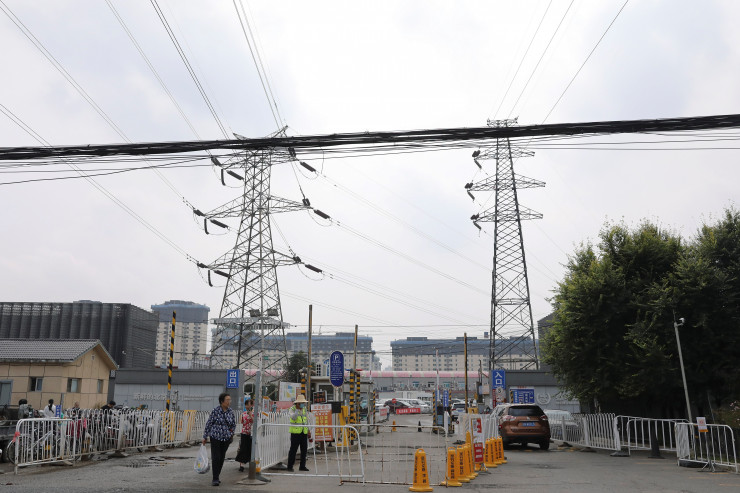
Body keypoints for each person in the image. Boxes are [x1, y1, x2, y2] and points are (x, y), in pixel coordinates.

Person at [202, 393, 236, 486]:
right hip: (215, 437)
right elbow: (209, 423)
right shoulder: (216, 411)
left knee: (221, 458)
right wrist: (205, 436)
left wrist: (231, 433)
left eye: (230, 400)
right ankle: (215, 478)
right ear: (222, 401)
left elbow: (233, 424)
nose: (229, 402)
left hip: (226, 438)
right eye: (227, 400)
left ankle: (217, 475)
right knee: (216, 457)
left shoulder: (230, 412)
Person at [286, 394, 310, 472]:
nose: (303, 404)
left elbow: (306, 420)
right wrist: (297, 410)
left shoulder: (304, 409)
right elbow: (293, 417)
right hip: (295, 433)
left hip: (303, 432)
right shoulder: (292, 409)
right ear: (297, 403)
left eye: (303, 403)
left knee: (304, 450)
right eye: (301, 403)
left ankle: (302, 466)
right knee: (293, 450)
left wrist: (308, 430)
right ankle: (290, 466)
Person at [234, 399, 254, 472]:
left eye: (248, 405)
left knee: (251, 449)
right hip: (244, 433)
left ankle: (251, 463)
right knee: (243, 449)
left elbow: (256, 421)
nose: (247, 406)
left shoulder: (255, 413)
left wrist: (251, 415)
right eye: (246, 405)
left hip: (252, 434)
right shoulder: (243, 414)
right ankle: (241, 465)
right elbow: (242, 423)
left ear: (252, 405)